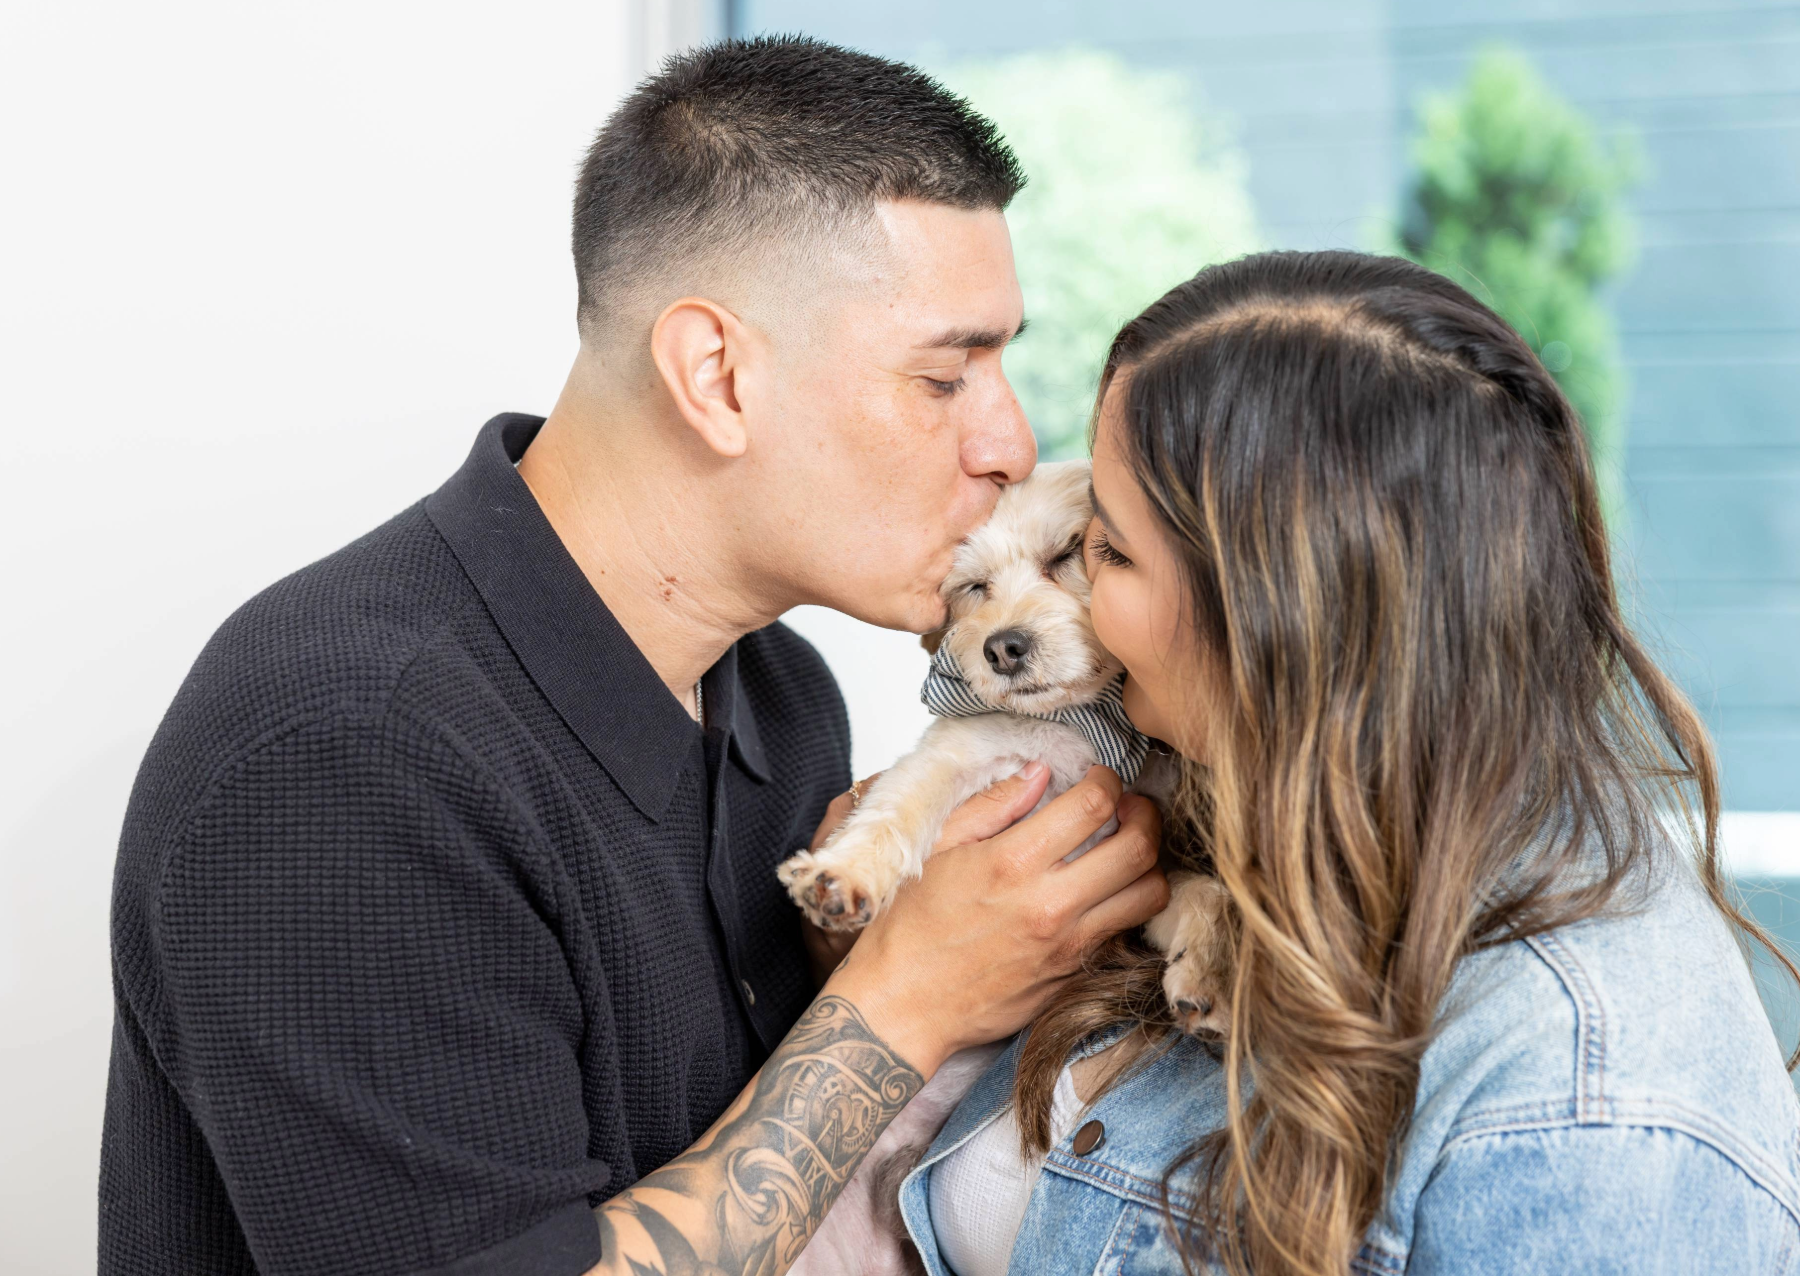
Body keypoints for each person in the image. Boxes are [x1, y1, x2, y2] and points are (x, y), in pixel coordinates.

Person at [98, 37, 1169, 1276]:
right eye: (944, 375)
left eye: (1003, 364)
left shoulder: (778, 691)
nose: (1007, 440)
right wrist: (912, 991)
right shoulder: (348, 752)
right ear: (716, 375)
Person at [901, 250, 1800, 1275]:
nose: (1073, 599)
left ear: (1277, 609)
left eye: (1101, 552)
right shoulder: (1224, 830)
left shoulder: (1579, 1106)